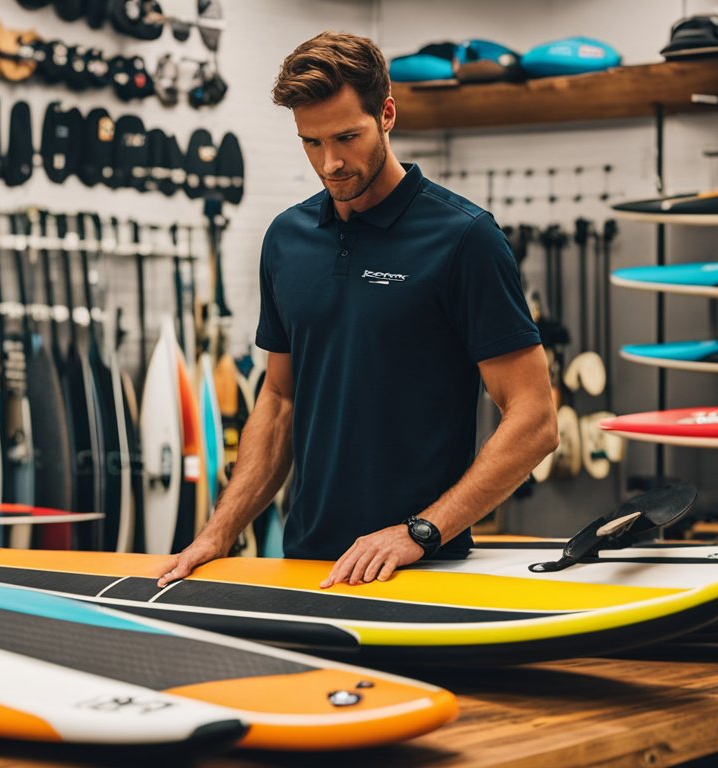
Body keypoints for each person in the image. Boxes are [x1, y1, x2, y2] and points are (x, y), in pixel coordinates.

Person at [157, 31, 558, 589]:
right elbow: (278, 401)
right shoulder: (287, 239)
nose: (331, 162)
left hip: (422, 567)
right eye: (311, 142)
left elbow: (535, 420)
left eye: (347, 136)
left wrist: (420, 531)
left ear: (387, 114)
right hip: (306, 564)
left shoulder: (464, 238)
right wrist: (218, 532)